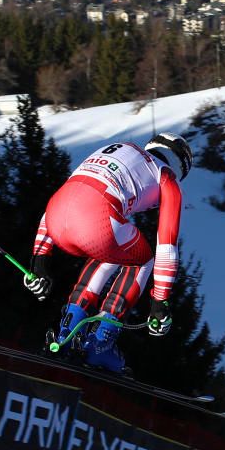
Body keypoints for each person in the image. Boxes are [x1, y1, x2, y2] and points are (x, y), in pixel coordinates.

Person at [23, 133, 192, 373]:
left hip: (55, 217)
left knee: (113, 248)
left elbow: (71, 195)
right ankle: (100, 342)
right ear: (180, 166)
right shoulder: (167, 178)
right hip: (95, 221)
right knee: (143, 259)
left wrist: (39, 260)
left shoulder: (120, 148)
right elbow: (167, 247)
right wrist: (160, 302)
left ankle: (66, 332)